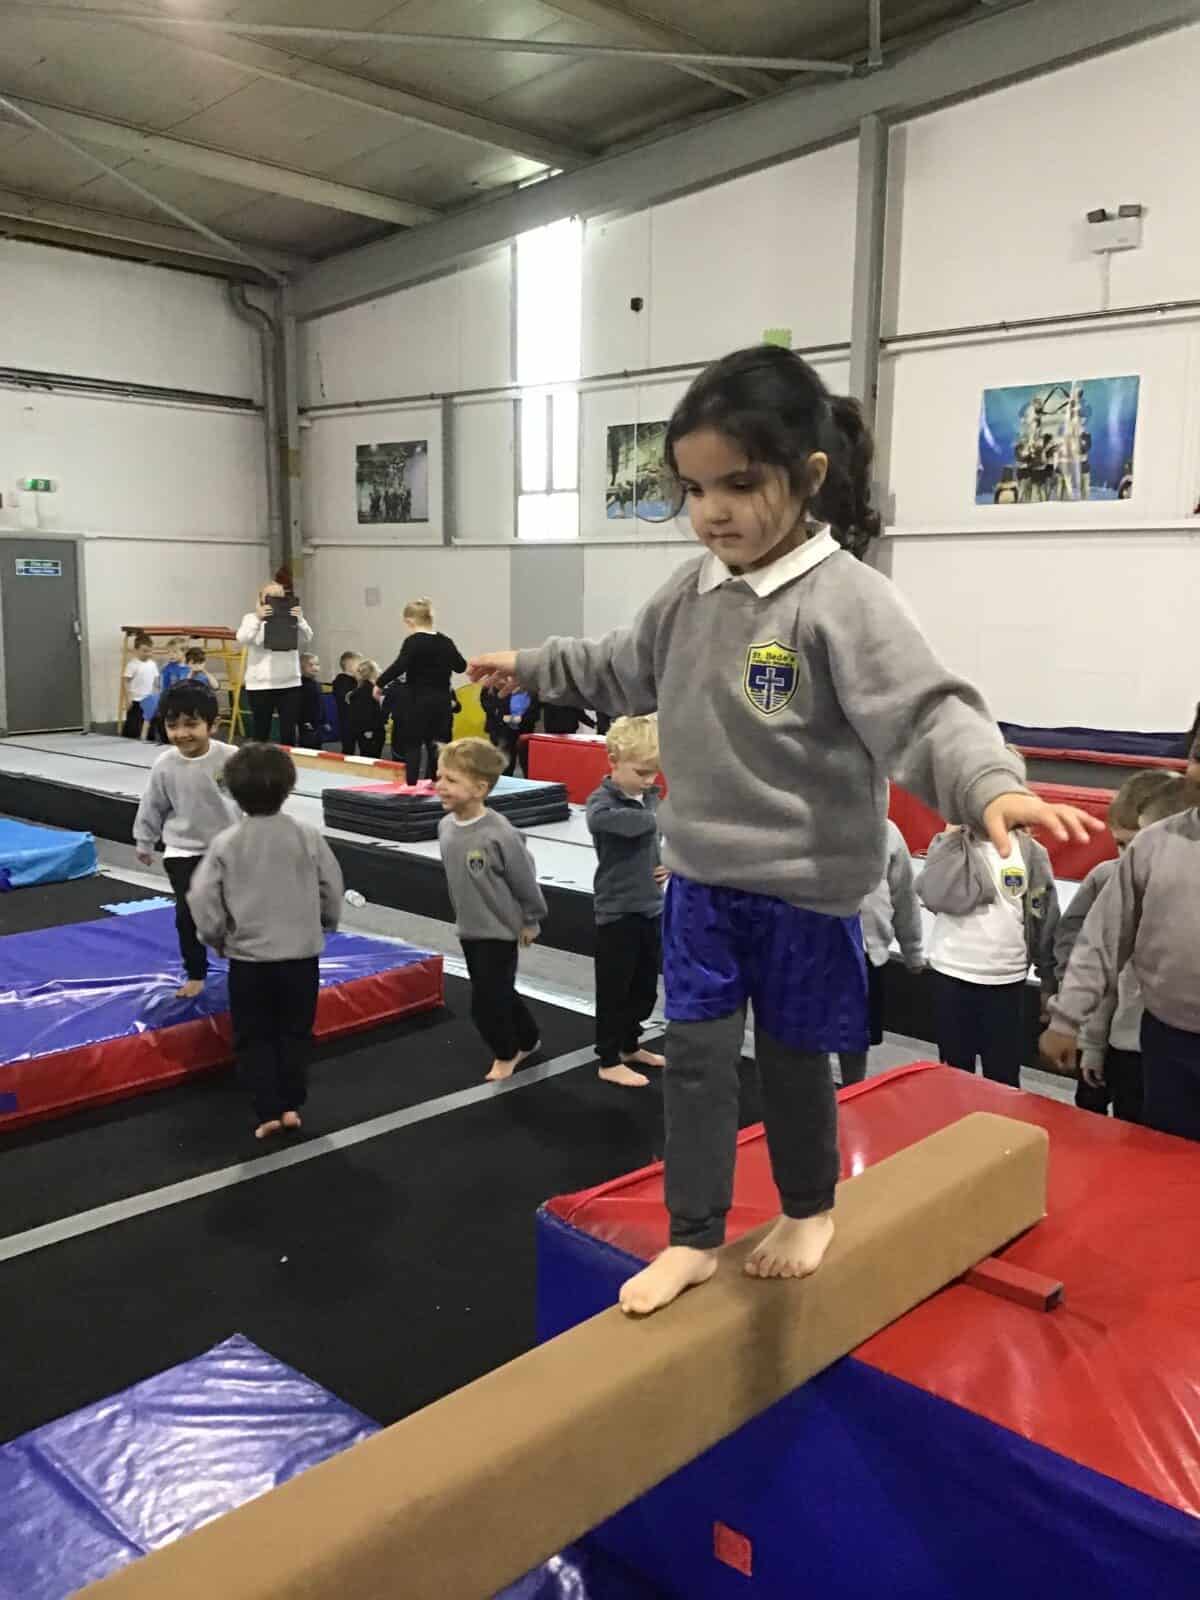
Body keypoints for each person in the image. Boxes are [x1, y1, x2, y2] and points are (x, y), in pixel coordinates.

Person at [467, 344, 1100, 1317]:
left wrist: (988, 786)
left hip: (807, 891)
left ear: (807, 477)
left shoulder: (845, 600)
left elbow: (926, 711)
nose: (711, 511)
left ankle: (808, 1208)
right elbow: (618, 664)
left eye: (738, 484)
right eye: (693, 489)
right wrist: (534, 662)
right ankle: (693, 1235)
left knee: (799, 1059)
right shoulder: (691, 592)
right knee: (696, 1062)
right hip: (702, 883)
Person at [188, 743, 343, 1141]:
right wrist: (326, 923)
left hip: (250, 960)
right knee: (295, 1031)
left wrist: (215, 937)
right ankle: (291, 1104)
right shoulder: (307, 835)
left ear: (232, 792)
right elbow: (331, 885)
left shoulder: (227, 842)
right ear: (289, 788)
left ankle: (268, 1109)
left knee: (254, 1035)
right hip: (301, 956)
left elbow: (202, 897)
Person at [1041, 777, 1200, 1143]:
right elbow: (1101, 939)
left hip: (1157, 1035)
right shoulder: (1154, 846)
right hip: (1164, 1037)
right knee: (1159, 1145)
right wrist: (1069, 1019)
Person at [436, 737, 546, 1082]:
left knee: (485, 1003)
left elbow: (525, 878)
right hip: (469, 926)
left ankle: (506, 1051)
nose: (440, 785)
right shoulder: (445, 826)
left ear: (480, 788)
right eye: (439, 777)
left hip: (499, 929)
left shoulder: (499, 834)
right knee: (498, 989)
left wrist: (531, 920)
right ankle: (528, 1038)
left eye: (451, 780)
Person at [919, 816, 1059, 1087]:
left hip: (1005, 979)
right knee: (954, 1072)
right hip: (952, 972)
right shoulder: (951, 844)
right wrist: (949, 840)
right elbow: (932, 895)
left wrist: (1048, 981)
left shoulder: (1031, 853)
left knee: (1003, 1072)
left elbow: (1043, 916)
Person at [132, 682, 237, 999]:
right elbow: (152, 804)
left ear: (213, 725)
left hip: (229, 850)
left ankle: (245, 961)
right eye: (172, 725)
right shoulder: (165, 765)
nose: (181, 733)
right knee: (187, 916)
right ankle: (195, 972)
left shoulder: (231, 759)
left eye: (191, 724)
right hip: (183, 850)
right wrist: (144, 840)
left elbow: (254, 800)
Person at [586, 716, 668, 1089]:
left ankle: (629, 1044)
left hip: (650, 905)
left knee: (644, 986)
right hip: (617, 910)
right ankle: (607, 1058)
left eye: (654, 772)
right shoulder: (602, 804)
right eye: (641, 772)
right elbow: (627, 825)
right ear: (614, 762)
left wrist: (667, 864)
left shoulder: (649, 799)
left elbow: (655, 838)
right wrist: (663, 816)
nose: (649, 780)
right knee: (614, 989)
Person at [838, 818, 925, 1087]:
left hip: (867, 952)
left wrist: (912, 948)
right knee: (807, 1035)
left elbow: (904, 894)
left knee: (857, 1036)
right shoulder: (816, 822)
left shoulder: (887, 831)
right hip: (817, 949)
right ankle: (817, 1101)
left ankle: (853, 1091)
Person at [378, 599, 466, 784]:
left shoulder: (413, 642)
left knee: (413, 745)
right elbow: (461, 666)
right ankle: (435, 783)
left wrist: (379, 684)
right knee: (438, 746)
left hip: (417, 702)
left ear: (409, 621)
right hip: (441, 703)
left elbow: (399, 666)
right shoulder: (445, 641)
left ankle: (411, 784)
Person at [235, 578, 312, 745]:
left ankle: (287, 760)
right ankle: (259, 760)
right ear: (261, 599)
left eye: (279, 596)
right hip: (260, 684)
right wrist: (258, 618)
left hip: (289, 682)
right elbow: (243, 638)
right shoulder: (250, 618)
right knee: (261, 731)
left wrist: (300, 620)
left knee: (288, 733)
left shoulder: (293, 617)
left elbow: (307, 639)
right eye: (270, 596)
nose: (275, 599)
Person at [345, 658, 387, 758]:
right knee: (370, 757)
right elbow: (364, 714)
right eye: (378, 668)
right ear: (372, 672)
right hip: (370, 731)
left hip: (373, 730)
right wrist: (368, 731)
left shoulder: (370, 689)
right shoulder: (366, 691)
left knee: (371, 756)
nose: (380, 670)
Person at [122, 633, 158, 740]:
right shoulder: (132, 665)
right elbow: (126, 681)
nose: (147, 653)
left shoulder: (152, 664)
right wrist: (128, 698)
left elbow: (155, 681)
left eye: (149, 651)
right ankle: (127, 739)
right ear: (136, 650)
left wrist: (156, 695)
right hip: (136, 700)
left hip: (149, 699)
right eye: (144, 651)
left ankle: (150, 739)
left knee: (149, 723)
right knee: (133, 725)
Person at [332, 651, 361, 754]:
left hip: (357, 718)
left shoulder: (355, 679)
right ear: (349, 664)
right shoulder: (341, 680)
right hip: (347, 719)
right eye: (358, 664)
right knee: (348, 747)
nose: (360, 667)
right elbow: (347, 697)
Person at [298, 653, 326, 749]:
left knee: (317, 745)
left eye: (317, 664)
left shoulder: (317, 684)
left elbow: (321, 703)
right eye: (310, 665)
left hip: (317, 722)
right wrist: (305, 721)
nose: (315, 667)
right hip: (307, 722)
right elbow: (301, 705)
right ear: (302, 667)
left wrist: (324, 720)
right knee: (308, 746)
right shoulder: (301, 684)